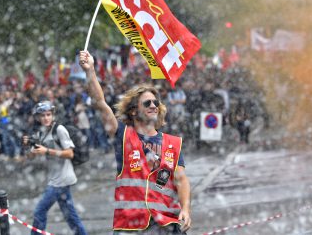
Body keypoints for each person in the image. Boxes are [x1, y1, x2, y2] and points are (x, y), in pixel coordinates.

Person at [79, 50, 191, 234]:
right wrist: (90, 70)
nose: (153, 106)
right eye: (146, 103)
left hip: (166, 226)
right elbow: (100, 102)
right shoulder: (123, 135)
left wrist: (185, 209)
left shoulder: (173, 143)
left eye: (155, 102)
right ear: (133, 111)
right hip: (130, 226)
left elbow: (181, 180)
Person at [22, 101, 87, 235]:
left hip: (61, 180)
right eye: (42, 115)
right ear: (38, 117)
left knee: (39, 211)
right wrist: (28, 146)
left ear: (53, 115)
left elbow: (70, 153)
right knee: (70, 216)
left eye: (48, 115)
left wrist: (47, 151)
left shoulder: (59, 130)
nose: (46, 118)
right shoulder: (41, 133)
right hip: (55, 178)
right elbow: (31, 156)